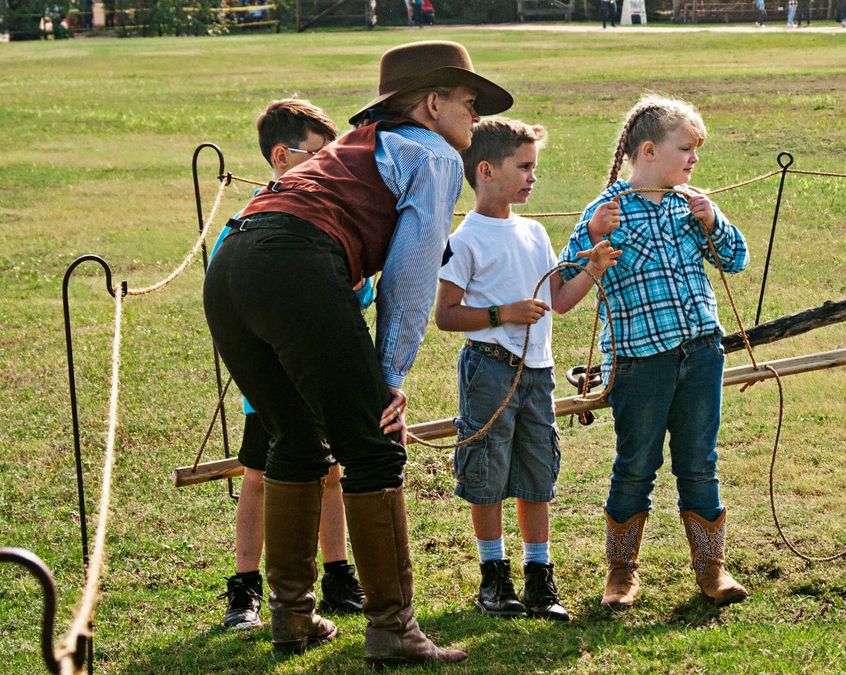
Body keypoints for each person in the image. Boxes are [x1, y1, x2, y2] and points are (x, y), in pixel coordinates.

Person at [203, 40, 513, 665]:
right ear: (432, 103)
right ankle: (394, 628)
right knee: (372, 444)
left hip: (232, 262)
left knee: (294, 437)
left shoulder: (360, 147)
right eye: (468, 102)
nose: (475, 118)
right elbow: (412, 270)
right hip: (294, 261)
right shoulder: (431, 155)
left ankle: (292, 619)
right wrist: (390, 374)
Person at [558, 95, 750, 610]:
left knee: (699, 461)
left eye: (695, 151)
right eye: (685, 149)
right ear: (648, 151)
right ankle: (621, 573)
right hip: (641, 361)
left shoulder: (693, 206)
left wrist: (716, 224)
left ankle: (712, 569)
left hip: (702, 351)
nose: (693, 160)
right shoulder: (608, 210)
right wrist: (593, 236)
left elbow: (736, 260)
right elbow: (566, 276)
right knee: (636, 463)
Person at [434, 118, 621, 622]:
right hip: (489, 370)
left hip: (538, 372)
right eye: (524, 167)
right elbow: (446, 315)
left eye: (534, 166)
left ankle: (539, 577)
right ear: (487, 171)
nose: (532, 177)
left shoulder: (534, 231)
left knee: (538, 473)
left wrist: (592, 269)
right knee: (488, 472)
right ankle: (494, 577)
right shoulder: (464, 238)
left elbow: (559, 300)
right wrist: (503, 314)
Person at [211, 99, 366, 632]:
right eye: (318, 157)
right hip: (274, 380)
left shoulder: (325, 215)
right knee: (258, 475)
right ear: (282, 156)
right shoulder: (249, 221)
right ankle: (245, 588)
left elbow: (350, 292)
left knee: (331, 473)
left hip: (320, 368)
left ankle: (339, 576)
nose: (329, 168)